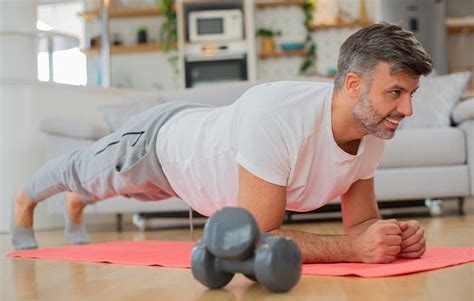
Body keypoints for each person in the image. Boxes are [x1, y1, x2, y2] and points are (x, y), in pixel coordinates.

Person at [12, 23, 432, 264]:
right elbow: (259, 235)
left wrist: (390, 233)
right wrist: (355, 249)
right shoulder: (279, 116)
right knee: (82, 172)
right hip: (159, 144)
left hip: (195, 173)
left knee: (112, 189)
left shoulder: (372, 129)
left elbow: (360, 224)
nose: (407, 109)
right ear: (354, 86)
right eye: (396, 92)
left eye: (411, 94)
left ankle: (80, 201)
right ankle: (25, 202)